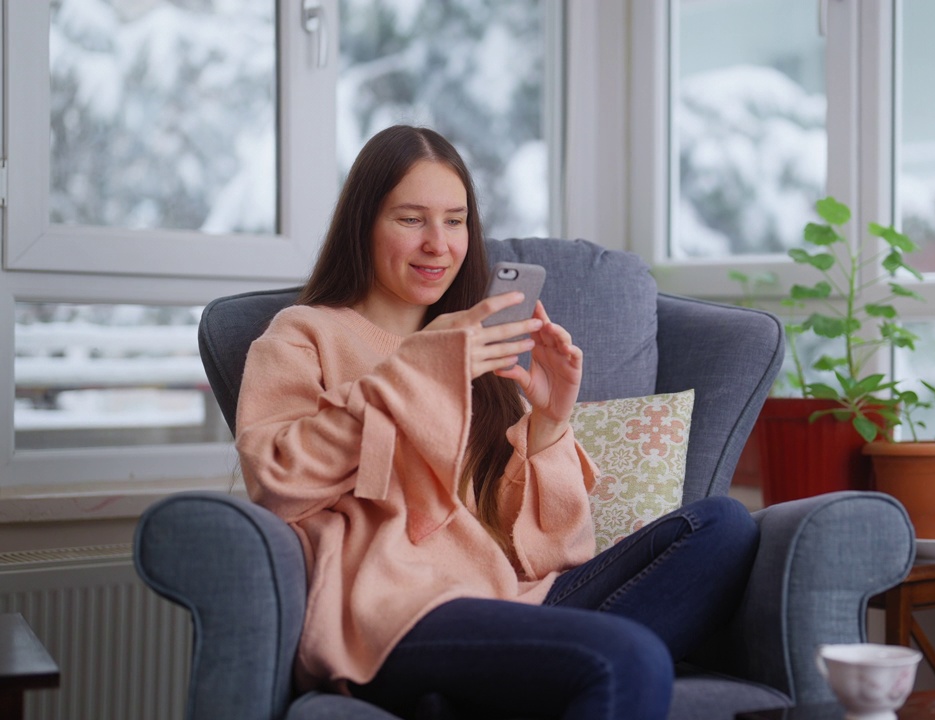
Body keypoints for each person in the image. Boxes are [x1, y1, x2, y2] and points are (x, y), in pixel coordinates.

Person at [235, 125, 760, 720]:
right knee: (628, 658)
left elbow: (548, 549)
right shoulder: (303, 335)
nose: (438, 243)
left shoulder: (478, 346)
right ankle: (529, 682)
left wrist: (549, 421)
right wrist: (413, 371)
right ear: (364, 224)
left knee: (723, 526)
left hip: (509, 597)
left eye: (455, 221)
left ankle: (492, 690)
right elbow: (279, 483)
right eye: (411, 220)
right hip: (397, 608)